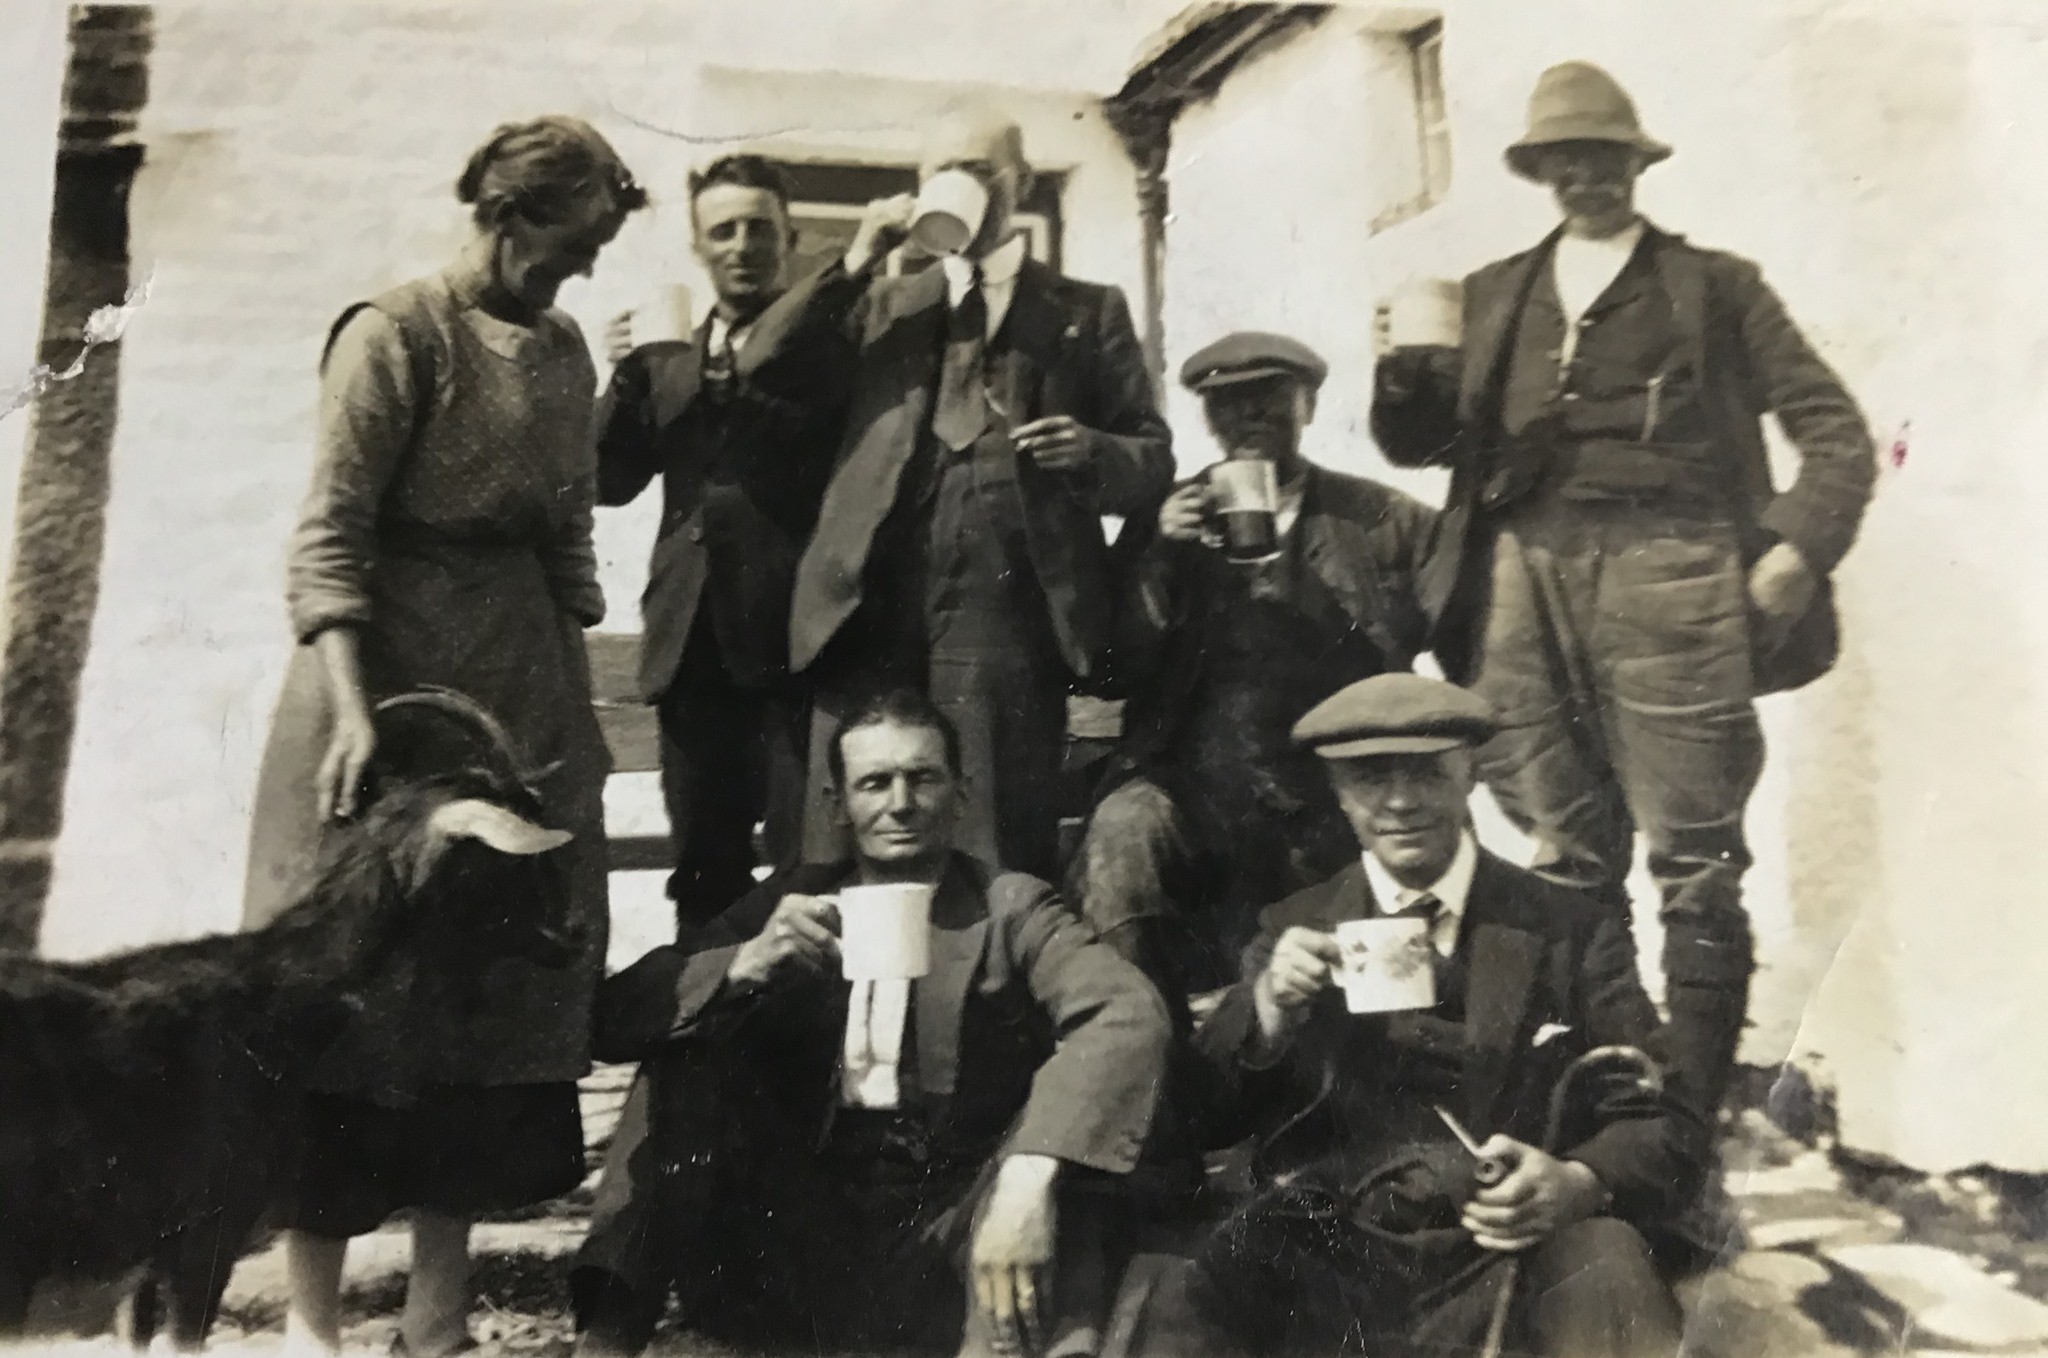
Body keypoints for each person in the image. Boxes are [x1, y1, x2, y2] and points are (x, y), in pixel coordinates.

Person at [1369, 61, 1877, 1119]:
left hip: (1673, 568)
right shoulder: (1490, 294)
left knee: (1694, 852)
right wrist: (1399, 373)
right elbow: (1418, 446)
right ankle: (1614, 1092)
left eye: (1604, 156)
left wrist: (1796, 547)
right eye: (1565, 159)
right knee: (1562, 845)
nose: (1585, 176)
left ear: (1635, 164)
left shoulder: (1714, 285)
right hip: (1517, 577)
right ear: (1539, 170)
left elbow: (1834, 432)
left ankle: (1687, 1119)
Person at [242, 117, 645, 1357]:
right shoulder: (393, 335)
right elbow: (330, 535)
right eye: (573, 241)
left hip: (517, 682)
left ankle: (436, 1311)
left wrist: (567, 701)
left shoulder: (564, 347)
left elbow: (569, 529)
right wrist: (354, 712)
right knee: (354, 995)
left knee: (488, 986)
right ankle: (313, 1323)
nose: (584, 268)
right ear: (508, 215)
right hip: (384, 688)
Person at [569, 688, 1170, 1358]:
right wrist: (743, 963)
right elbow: (617, 1017)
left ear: (961, 794)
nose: (901, 803)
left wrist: (1029, 1175)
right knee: (687, 1049)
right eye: (875, 783)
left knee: (1067, 1151)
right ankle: (605, 1343)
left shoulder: (1010, 908)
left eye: (923, 778)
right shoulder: (789, 903)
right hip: (807, 1236)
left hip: (957, 1225)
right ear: (837, 806)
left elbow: (1124, 1011)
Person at [1130, 673, 1708, 1358]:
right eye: (1372, 778)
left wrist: (1576, 1182)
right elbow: (1201, 1117)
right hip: (1339, 1248)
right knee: (1194, 1290)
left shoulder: (1569, 927)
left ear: (1471, 776)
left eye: (1429, 773)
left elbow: (1668, 1120)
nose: (1402, 802)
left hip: (1511, 1243)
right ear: (1339, 793)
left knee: (1607, 1267)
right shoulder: (1295, 927)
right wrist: (1269, 1012)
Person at [743, 103, 1174, 880]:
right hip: (867, 610)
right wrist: (855, 261)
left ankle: (991, 964)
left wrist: (1093, 449)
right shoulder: (883, 302)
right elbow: (763, 366)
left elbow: (1152, 458)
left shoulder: (1086, 311)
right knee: (844, 842)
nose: (958, 186)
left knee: (992, 842)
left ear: (1021, 182)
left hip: (1003, 615)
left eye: (976, 171)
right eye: (940, 171)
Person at [1072, 331, 1437, 1020]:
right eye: (1228, 403)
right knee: (1124, 830)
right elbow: (1109, 668)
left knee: (1395, 892)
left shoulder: (1380, 518)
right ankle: (1134, 1040)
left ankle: (1394, 1055)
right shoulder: (1166, 519)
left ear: (1309, 405)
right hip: (1197, 789)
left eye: (1271, 396)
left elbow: (1460, 631)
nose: (1250, 414)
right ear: (1208, 420)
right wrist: (1158, 558)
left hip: (1332, 787)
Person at [594, 154, 838, 929]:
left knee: (808, 868)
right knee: (705, 870)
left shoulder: (826, 351)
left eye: (759, 228)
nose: (742, 246)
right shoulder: (670, 358)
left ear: (789, 238)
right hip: (691, 651)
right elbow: (606, 479)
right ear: (699, 247)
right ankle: (712, 1004)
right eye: (723, 231)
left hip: (796, 652)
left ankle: (804, 1006)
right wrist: (622, 376)